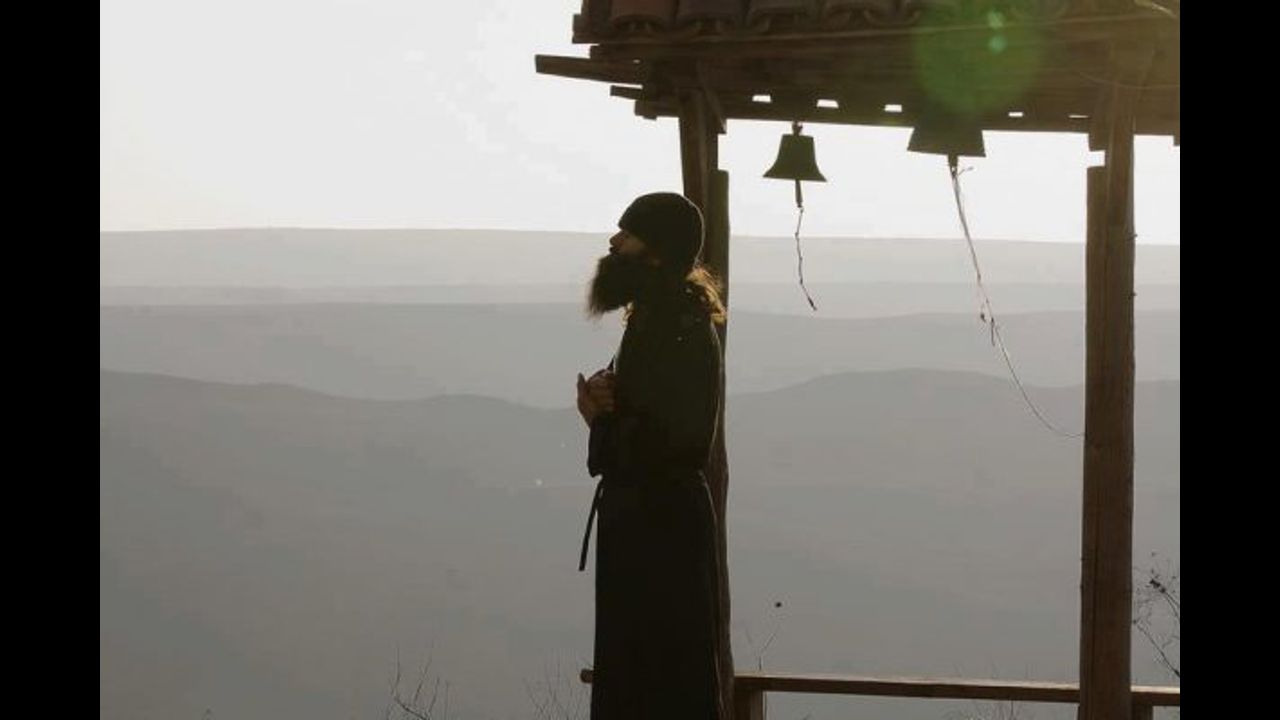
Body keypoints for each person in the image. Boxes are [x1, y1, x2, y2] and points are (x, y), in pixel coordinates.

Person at [576, 191, 730, 720]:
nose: (614, 242)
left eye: (629, 234)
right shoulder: (659, 319)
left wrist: (601, 419)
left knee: (658, 671)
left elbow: (675, 441)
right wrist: (608, 398)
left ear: (658, 251)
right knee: (652, 669)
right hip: (652, 522)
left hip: (660, 527)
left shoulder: (675, 325)